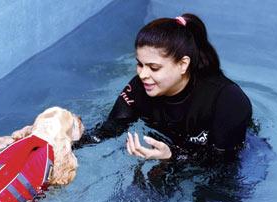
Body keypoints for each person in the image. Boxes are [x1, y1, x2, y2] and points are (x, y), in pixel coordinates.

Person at [78, 13, 252, 161]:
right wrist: (68, 142)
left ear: (183, 64)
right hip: (170, 152)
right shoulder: (139, 87)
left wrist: (173, 156)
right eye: (140, 64)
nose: (142, 74)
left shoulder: (226, 99)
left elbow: (224, 160)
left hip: (227, 161)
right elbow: (107, 130)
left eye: (154, 68)